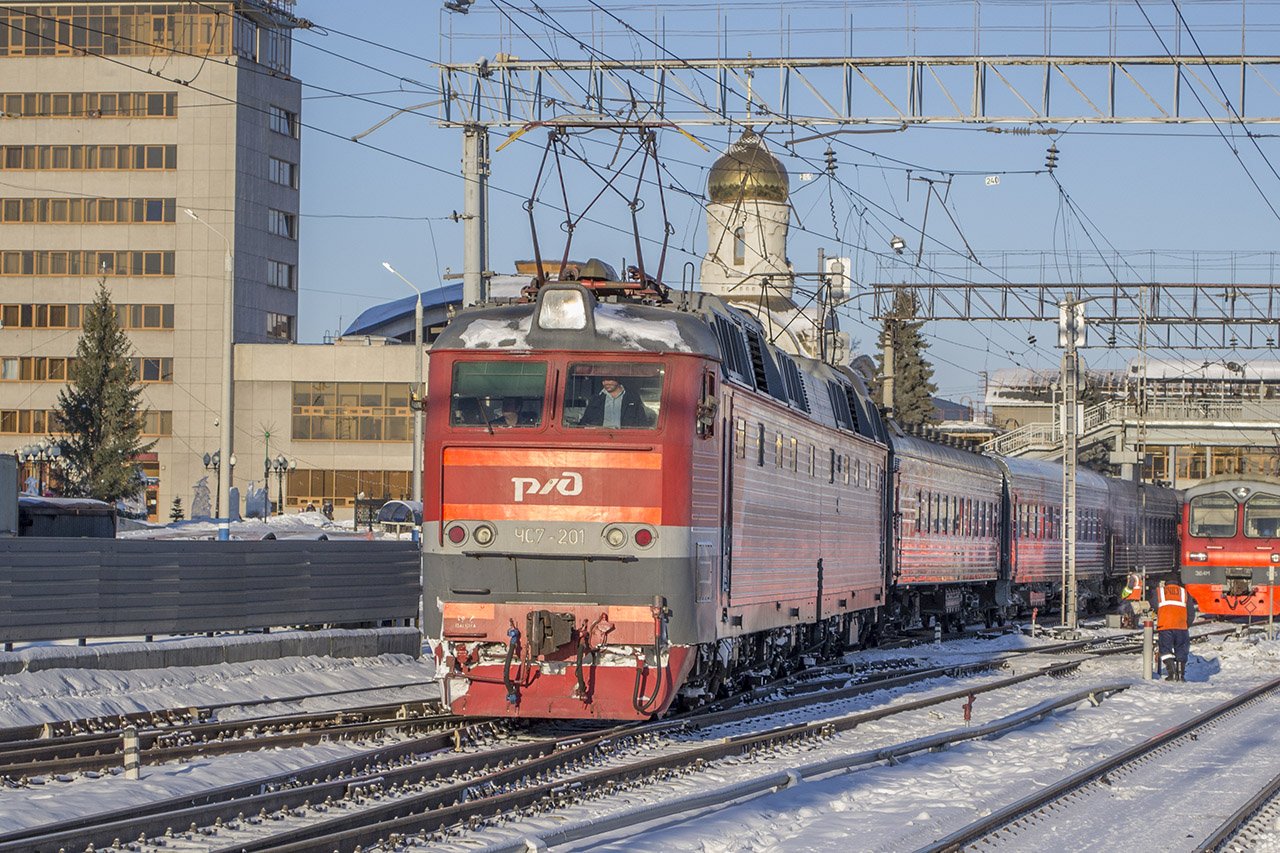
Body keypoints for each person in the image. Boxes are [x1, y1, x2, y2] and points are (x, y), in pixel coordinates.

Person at [578, 376, 652, 428]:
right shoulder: (595, 399)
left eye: (610, 379)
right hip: (600, 439)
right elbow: (584, 423)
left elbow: (642, 423)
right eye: (604, 380)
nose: (606, 383)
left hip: (626, 439)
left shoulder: (632, 398)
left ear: (618, 378)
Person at [1157, 579, 1192, 682]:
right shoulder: (1184, 592)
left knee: (1165, 650)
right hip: (1181, 627)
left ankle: (1172, 674)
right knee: (1181, 650)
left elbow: (1154, 605)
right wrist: (1185, 624)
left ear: (1166, 583)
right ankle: (1181, 676)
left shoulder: (1160, 592)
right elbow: (1191, 613)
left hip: (1165, 626)